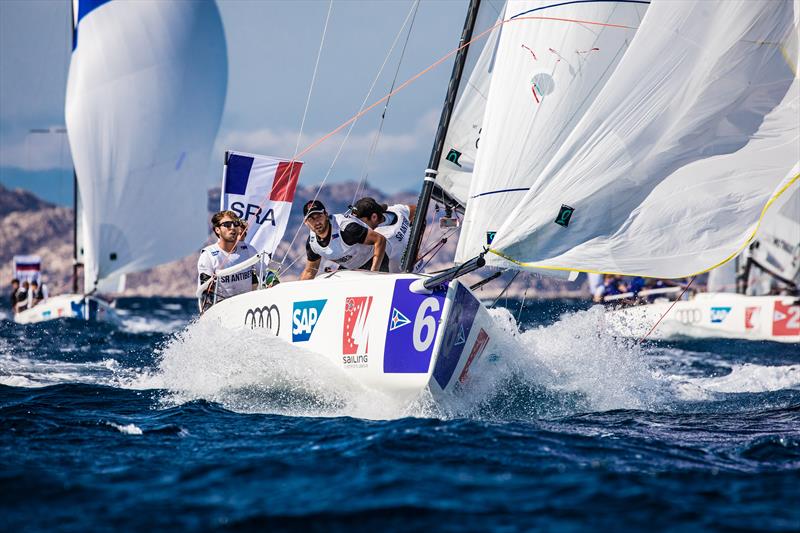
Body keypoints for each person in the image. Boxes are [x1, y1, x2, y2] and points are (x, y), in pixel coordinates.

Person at [300, 200, 387, 280]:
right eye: (311, 219)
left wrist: (374, 273)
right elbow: (310, 271)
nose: (317, 222)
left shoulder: (346, 229)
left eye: (319, 216)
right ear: (306, 222)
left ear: (326, 214)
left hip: (372, 261)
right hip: (350, 268)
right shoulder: (312, 243)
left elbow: (380, 239)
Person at [197, 210, 258, 312]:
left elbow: (267, 273)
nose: (233, 228)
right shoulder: (208, 255)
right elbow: (205, 292)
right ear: (217, 230)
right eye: (227, 225)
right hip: (223, 311)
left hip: (248, 308)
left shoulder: (249, 250)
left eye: (236, 224)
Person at [351, 197, 416, 273]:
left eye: (359, 221)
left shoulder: (381, 237)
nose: (354, 223)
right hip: (416, 269)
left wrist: (414, 245)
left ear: (374, 217)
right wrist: (415, 242)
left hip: (404, 279)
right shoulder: (396, 210)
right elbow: (415, 209)